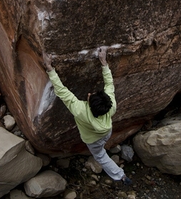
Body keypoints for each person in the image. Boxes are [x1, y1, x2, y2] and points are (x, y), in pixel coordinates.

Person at [43, 47, 132, 185]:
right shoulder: (111, 105)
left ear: (90, 106)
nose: (90, 93)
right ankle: (121, 176)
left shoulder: (80, 110)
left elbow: (62, 92)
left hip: (92, 140)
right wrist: (103, 62)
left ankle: (119, 174)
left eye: (91, 97)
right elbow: (109, 85)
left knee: (100, 155)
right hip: (106, 132)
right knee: (102, 152)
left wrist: (49, 67)